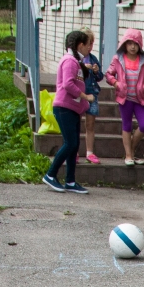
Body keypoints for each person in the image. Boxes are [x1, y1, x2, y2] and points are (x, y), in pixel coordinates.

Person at [42, 30, 90, 194]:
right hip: (64, 108)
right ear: (80, 45)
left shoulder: (76, 61)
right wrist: (85, 96)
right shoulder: (69, 61)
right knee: (70, 143)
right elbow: (68, 84)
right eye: (88, 45)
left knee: (74, 144)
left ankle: (70, 180)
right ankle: (50, 174)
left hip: (73, 109)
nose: (89, 48)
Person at [104, 28, 144, 166]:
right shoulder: (118, 59)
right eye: (129, 43)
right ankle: (129, 155)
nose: (133, 47)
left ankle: (131, 150)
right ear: (124, 44)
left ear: (140, 45)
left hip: (139, 100)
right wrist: (116, 83)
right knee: (127, 126)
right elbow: (109, 75)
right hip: (125, 99)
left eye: (135, 44)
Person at [80, 34, 102, 165]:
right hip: (79, 94)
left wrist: (96, 71)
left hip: (92, 94)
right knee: (76, 123)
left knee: (90, 124)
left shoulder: (93, 58)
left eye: (91, 44)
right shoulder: (75, 59)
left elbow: (99, 77)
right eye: (87, 44)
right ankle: (74, 152)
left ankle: (89, 152)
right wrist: (84, 67)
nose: (89, 47)